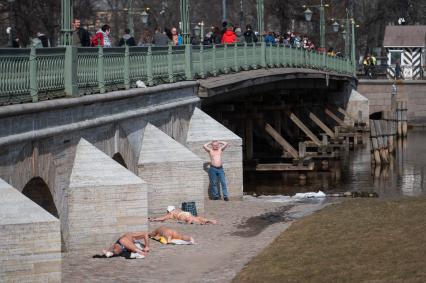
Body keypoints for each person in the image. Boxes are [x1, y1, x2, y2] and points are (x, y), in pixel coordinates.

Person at [150, 206, 218, 224]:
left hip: (183, 216)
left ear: (169, 210)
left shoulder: (170, 214)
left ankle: (207, 221)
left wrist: (153, 219)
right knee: (196, 218)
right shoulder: (177, 210)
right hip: (186, 213)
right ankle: (209, 220)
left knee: (193, 220)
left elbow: (162, 218)